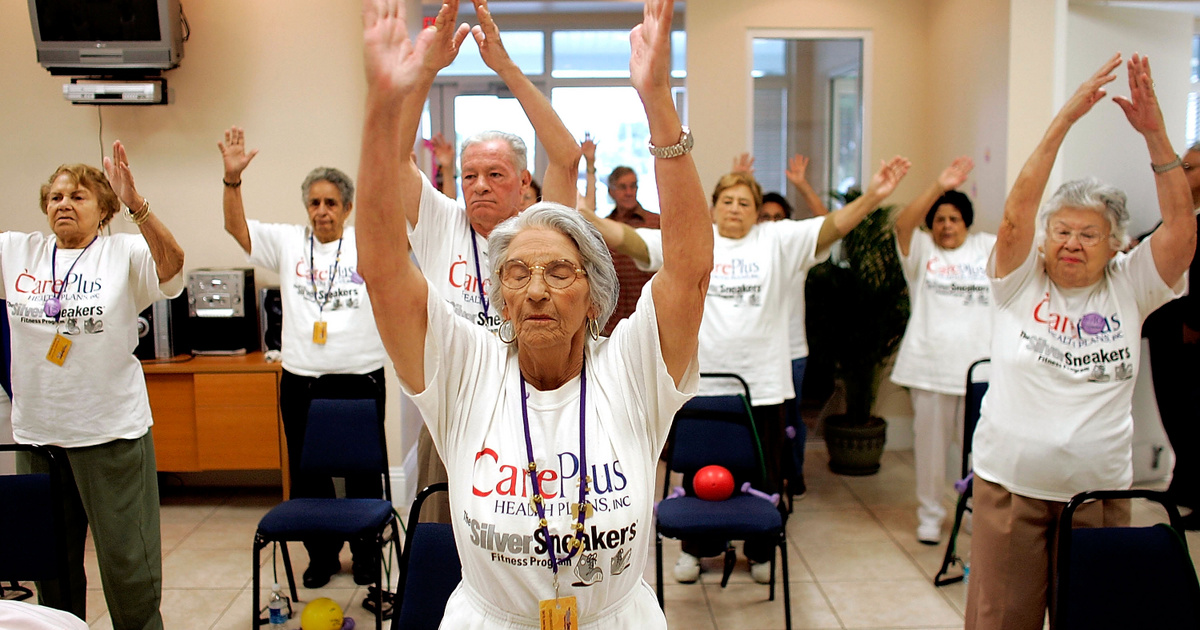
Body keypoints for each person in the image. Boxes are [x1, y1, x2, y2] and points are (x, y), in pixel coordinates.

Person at [358, 0, 711, 626]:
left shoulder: (630, 371)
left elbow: (688, 270)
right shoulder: (468, 368)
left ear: (597, 298)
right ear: (498, 296)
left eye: (559, 272)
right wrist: (384, 106)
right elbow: (384, 271)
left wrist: (658, 99)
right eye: (517, 274)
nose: (537, 290)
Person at [595, 157, 911, 584]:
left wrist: (874, 195)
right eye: (727, 200)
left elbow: (832, 227)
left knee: (763, 474)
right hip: (702, 386)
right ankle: (697, 548)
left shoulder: (777, 240)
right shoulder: (696, 239)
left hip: (763, 385)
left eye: (745, 202)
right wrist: (587, 215)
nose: (735, 208)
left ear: (756, 209)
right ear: (713, 206)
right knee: (701, 473)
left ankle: (760, 551)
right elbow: (633, 241)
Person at [965, 54, 1194, 630]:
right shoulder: (1018, 281)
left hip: (1097, 499)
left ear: (1115, 243)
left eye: (1088, 233)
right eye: (1061, 231)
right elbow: (1015, 218)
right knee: (1001, 623)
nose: (1071, 243)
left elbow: (1183, 230)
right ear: (1044, 240)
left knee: (1094, 621)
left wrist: (1155, 135)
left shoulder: (1132, 284)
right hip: (1011, 490)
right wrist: (1063, 120)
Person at [389, 0, 582, 524]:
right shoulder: (439, 221)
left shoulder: (540, 230)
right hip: (451, 408)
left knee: (519, 542)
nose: (478, 185)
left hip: (526, 406)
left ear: (523, 184)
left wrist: (506, 68)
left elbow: (566, 157)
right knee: (439, 542)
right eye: (470, 175)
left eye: (495, 175)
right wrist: (428, 68)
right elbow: (396, 155)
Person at [0, 142, 185, 630]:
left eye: (78, 196)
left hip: (110, 436)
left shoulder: (121, 252)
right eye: (56, 196)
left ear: (103, 211)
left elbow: (171, 267)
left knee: (128, 570)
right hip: (40, 437)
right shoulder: (18, 251)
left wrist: (137, 204)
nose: (64, 203)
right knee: (54, 575)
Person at [217, 127, 388, 589]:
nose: (321, 211)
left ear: (347, 209)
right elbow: (237, 228)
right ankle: (321, 556)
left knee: (362, 474)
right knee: (308, 473)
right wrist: (233, 181)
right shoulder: (289, 241)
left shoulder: (365, 241)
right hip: (302, 379)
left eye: (331, 203)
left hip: (360, 376)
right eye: (314, 202)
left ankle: (367, 554)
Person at [890, 156, 996, 545]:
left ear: (966, 222)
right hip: (929, 368)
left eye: (954, 219)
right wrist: (938, 184)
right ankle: (931, 515)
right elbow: (903, 223)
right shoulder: (921, 251)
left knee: (978, 453)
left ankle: (970, 510)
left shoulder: (988, 248)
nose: (946, 226)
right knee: (931, 453)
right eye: (939, 219)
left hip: (981, 373)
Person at [1142, 140, 1200, 529]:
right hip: (1164, 333)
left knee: (1195, 417)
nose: (1181, 171)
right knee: (1174, 415)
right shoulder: (1179, 215)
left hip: (1192, 334)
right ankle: (1183, 484)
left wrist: (1194, 324)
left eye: (1190, 167)